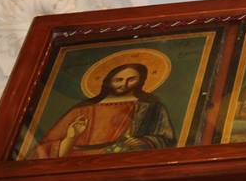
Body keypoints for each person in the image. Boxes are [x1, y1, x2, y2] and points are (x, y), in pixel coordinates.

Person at [29, 63, 176, 159]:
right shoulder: (82, 109)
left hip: (122, 159)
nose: (124, 84)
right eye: (118, 80)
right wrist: (71, 138)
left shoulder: (150, 106)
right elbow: (41, 151)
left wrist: (143, 142)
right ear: (108, 81)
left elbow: (166, 140)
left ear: (141, 80)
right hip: (77, 162)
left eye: (131, 79)